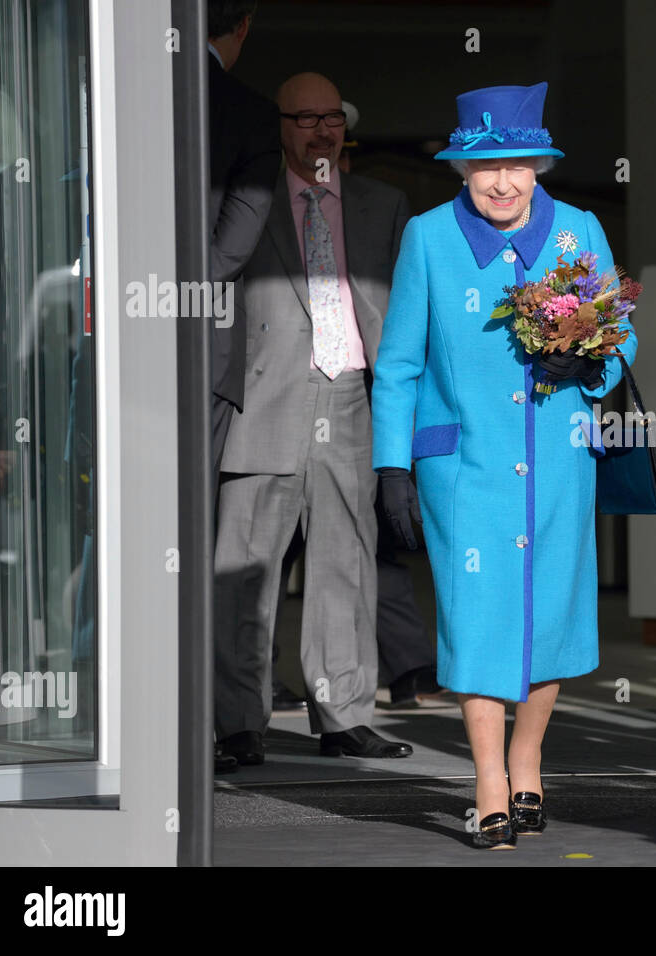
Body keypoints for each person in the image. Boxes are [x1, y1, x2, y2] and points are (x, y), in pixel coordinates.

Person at [373, 82, 638, 849]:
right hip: (466, 469)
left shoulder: (579, 232)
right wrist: (393, 466)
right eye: (483, 166)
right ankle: (488, 777)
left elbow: (619, 346)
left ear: (541, 165)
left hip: (558, 461)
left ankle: (528, 759)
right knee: (477, 618)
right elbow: (396, 367)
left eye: (518, 164)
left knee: (548, 617)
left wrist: (584, 363)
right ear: (460, 169)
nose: (501, 181)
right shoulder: (428, 237)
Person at [214, 71, 414, 764]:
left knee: (346, 567)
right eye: (305, 118)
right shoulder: (247, 202)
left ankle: (345, 718)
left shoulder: (381, 204)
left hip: (351, 400)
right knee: (243, 572)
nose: (321, 129)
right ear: (280, 127)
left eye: (331, 117)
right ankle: (238, 724)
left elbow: (402, 317)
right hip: (263, 400)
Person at [206, 0, 279, 774]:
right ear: (243, 27)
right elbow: (236, 241)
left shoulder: (115, 90)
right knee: (193, 539)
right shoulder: (248, 113)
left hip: (104, 347)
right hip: (202, 354)